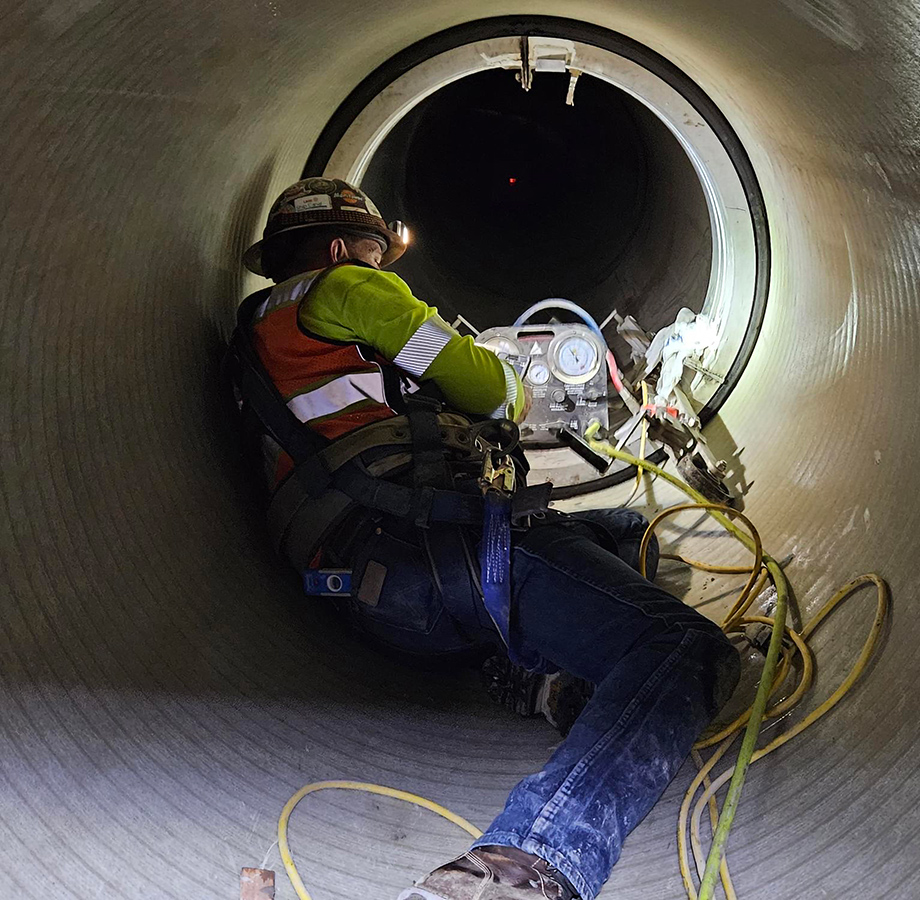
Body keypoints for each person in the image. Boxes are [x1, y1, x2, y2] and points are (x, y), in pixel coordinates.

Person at [229, 177, 740, 900]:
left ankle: (536, 684)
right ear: (343, 249)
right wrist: (502, 382)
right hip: (432, 552)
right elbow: (495, 391)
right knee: (688, 650)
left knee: (621, 530)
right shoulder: (347, 286)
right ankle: (522, 868)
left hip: (363, 587)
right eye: (377, 256)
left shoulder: (260, 328)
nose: (381, 271)